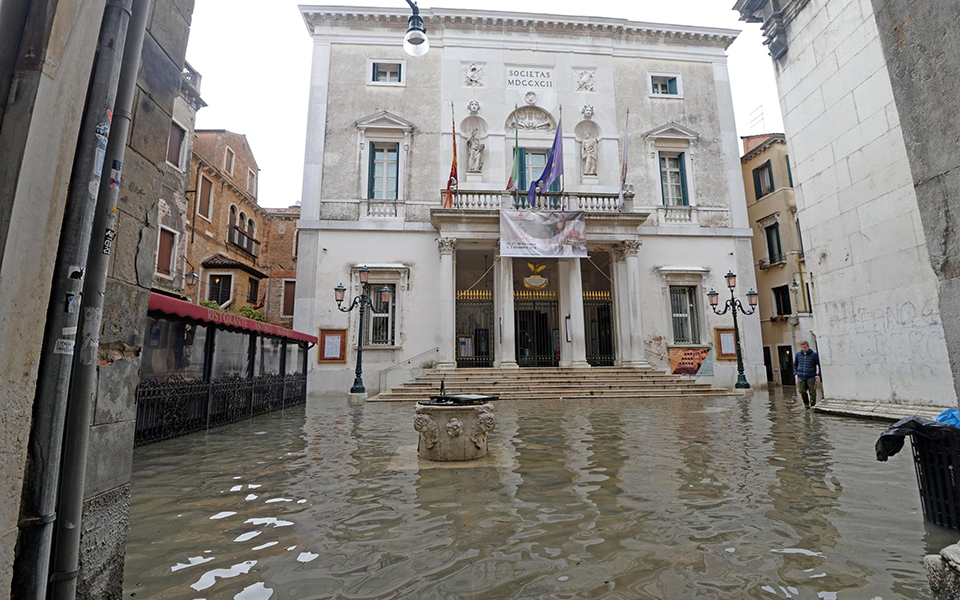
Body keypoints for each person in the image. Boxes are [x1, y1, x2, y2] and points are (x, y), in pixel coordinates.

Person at [794, 341, 821, 408]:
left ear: (808, 346)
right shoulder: (798, 355)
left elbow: (819, 364)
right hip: (801, 375)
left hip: (811, 376)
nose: (804, 349)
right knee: (801, 391)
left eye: (805, 347)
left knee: (812, 392)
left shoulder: (814, 355)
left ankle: (813, 404)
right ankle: (806, 404)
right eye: (802, 347)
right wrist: (795, 373)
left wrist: (819, 374)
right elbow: (795, 364)